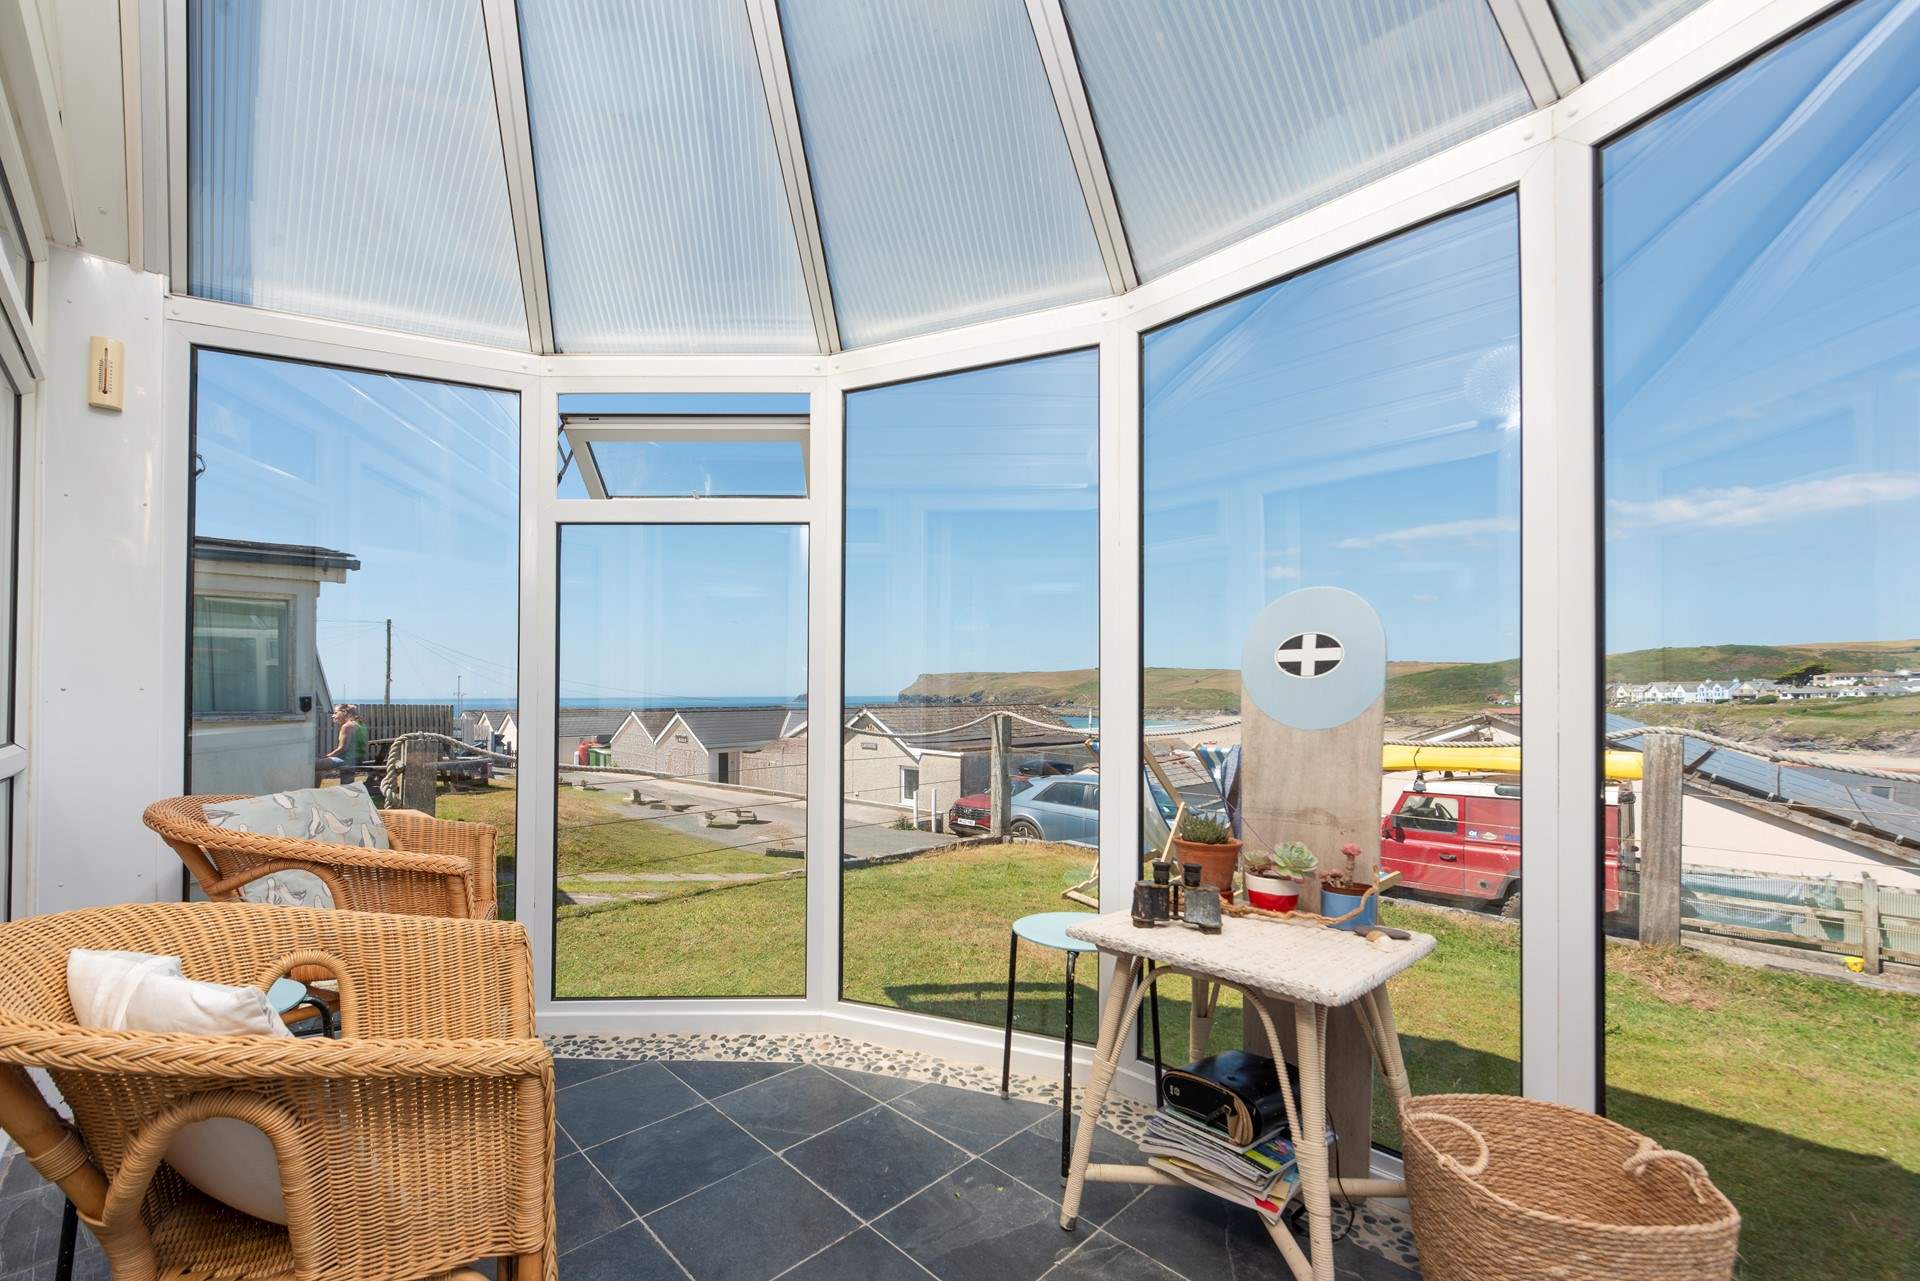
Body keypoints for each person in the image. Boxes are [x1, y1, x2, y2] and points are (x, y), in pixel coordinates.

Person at [318, 704, 370, 784]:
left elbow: (342, 749)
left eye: (335, 713)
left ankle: (313, 791)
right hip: (359, 758)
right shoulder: (361, 725)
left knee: (314, 766)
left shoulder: (347, 726)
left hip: (347, 760)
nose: (333, 716)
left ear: (344, 712)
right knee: (347, 786)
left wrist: (326, 757)